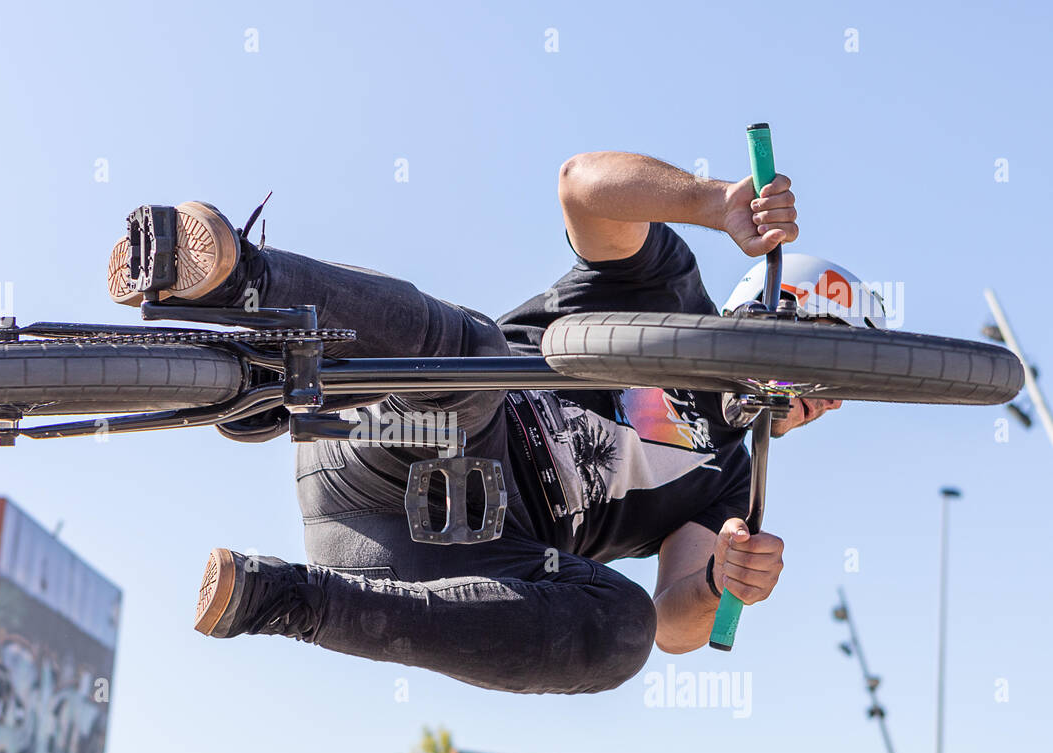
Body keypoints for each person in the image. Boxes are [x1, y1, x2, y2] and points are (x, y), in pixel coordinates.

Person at [109, 153, 885, 695]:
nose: (839, 400)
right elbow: (582, 185)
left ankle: (286, 601)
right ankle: (229, 275)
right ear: (774, 316)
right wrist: (713, 202)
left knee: (625, 633)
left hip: (414, 559)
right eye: (837, 366)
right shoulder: (667, 292)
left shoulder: (732, 486)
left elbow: (678, 618)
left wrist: (721, 582)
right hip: (399, 436)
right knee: (474, 353)